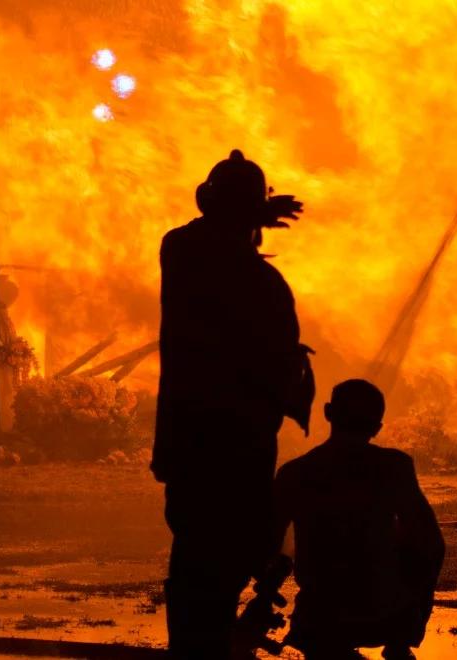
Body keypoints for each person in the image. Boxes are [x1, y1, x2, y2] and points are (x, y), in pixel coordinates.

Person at [153, 149, 312, 657]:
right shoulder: (264, 285)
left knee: (196, 575)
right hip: (238, 455)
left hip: (190, 451)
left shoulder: (181, 254)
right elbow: (281, 381)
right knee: (217, 578)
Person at [268, 379, 445, 659]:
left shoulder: (295, 473)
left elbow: (268, 545)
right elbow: (431, 544)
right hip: (385, 612)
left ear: (328, 412)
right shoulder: (393, 467)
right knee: (420, 547)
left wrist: (269, 587)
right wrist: (413, 606)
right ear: (378, 427)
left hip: (320, 616)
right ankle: (400, 643)